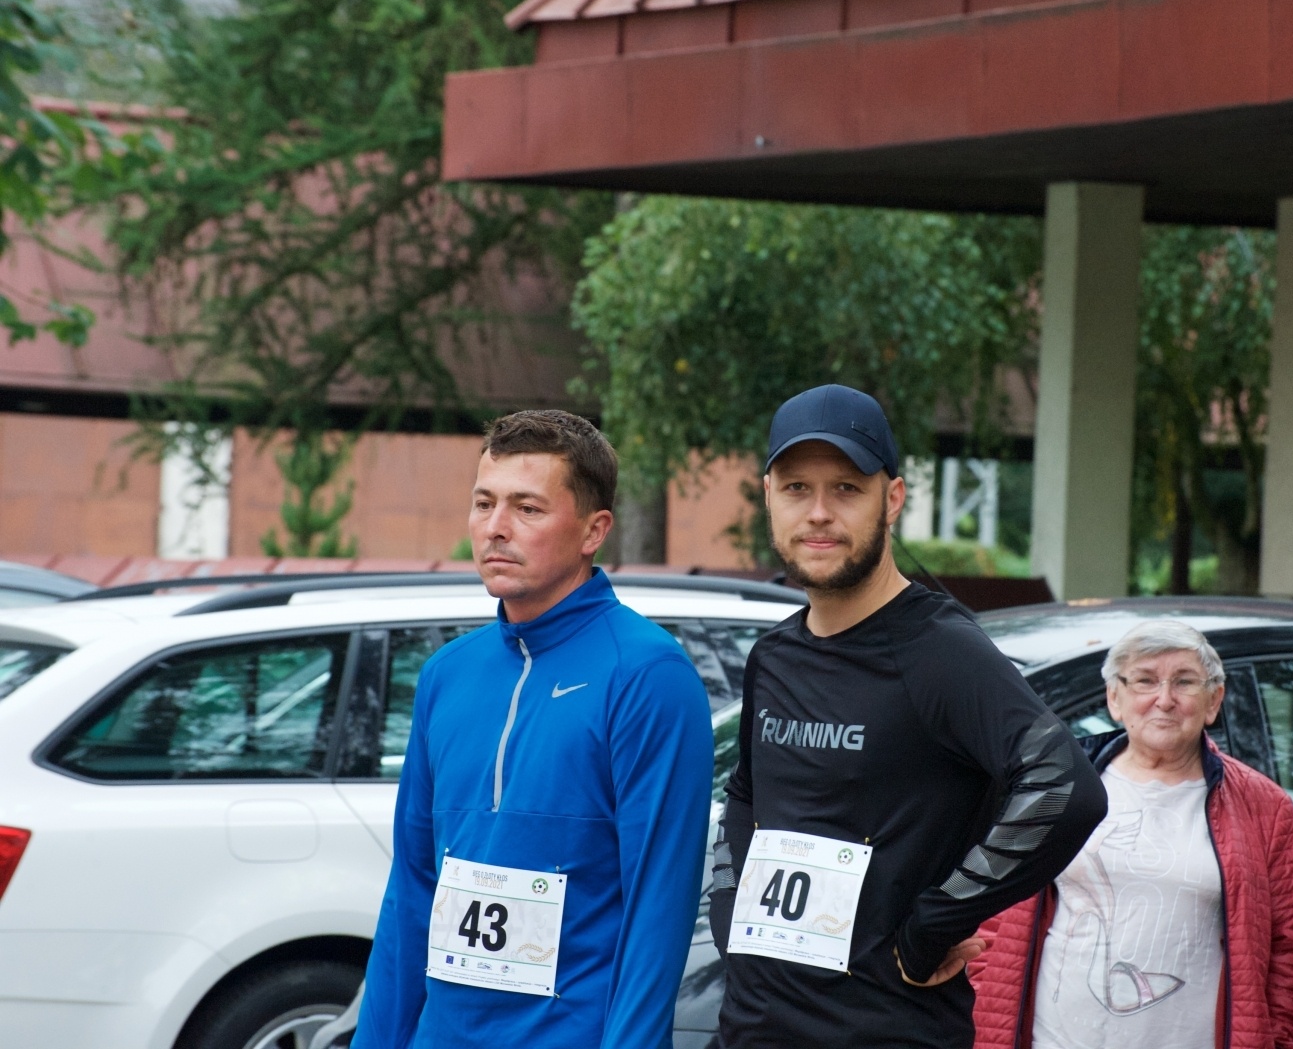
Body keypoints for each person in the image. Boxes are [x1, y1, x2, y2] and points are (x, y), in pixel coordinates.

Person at [708, 383, 1108, 1049]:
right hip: (754, 1028)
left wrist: (934, 923)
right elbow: (746, 792)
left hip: (884, 1030)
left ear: (892, 499)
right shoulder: (774, 655)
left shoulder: (939, 649)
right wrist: (731, 917)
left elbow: (1065, 788)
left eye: (846, 488)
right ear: (769, 497)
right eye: (797, 488)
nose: (818, 512)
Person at [352, 410, 712, 1049]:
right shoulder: (446, 675)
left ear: (594, 530)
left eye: (527, 508)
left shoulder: (649, 674)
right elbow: (411, 892)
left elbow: (657, 914)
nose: (496, 527)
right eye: (483, 503)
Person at [968, 619, 1293, 1049]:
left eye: (1185, 682)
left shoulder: (1264, 807)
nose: (1164, 699)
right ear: (1114, 698)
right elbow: (990, 910)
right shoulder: (1056, 787)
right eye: (1144, 681)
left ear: (1213, 701)